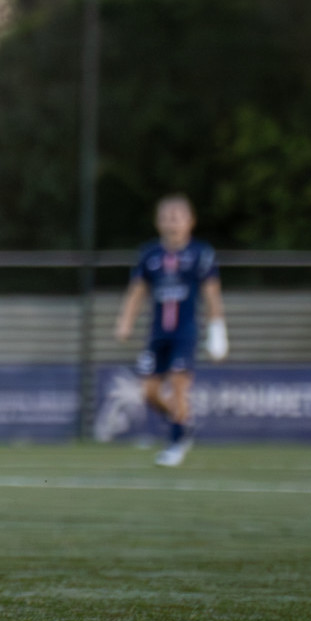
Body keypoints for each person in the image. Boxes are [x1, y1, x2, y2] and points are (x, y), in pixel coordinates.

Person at [112, 193, 227, 467]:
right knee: (149, 393)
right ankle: (182, 423)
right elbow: (137, 292)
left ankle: (176, 443)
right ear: (158, 222)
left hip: (185, 333)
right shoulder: (150, 255)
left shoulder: (200, 253)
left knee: (178, 384)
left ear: (190, 221)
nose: (172, 223)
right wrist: (125, 322)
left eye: (177, 217)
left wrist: (217, 330)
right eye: (166, 217)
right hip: (157, 334)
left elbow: (212, 293)